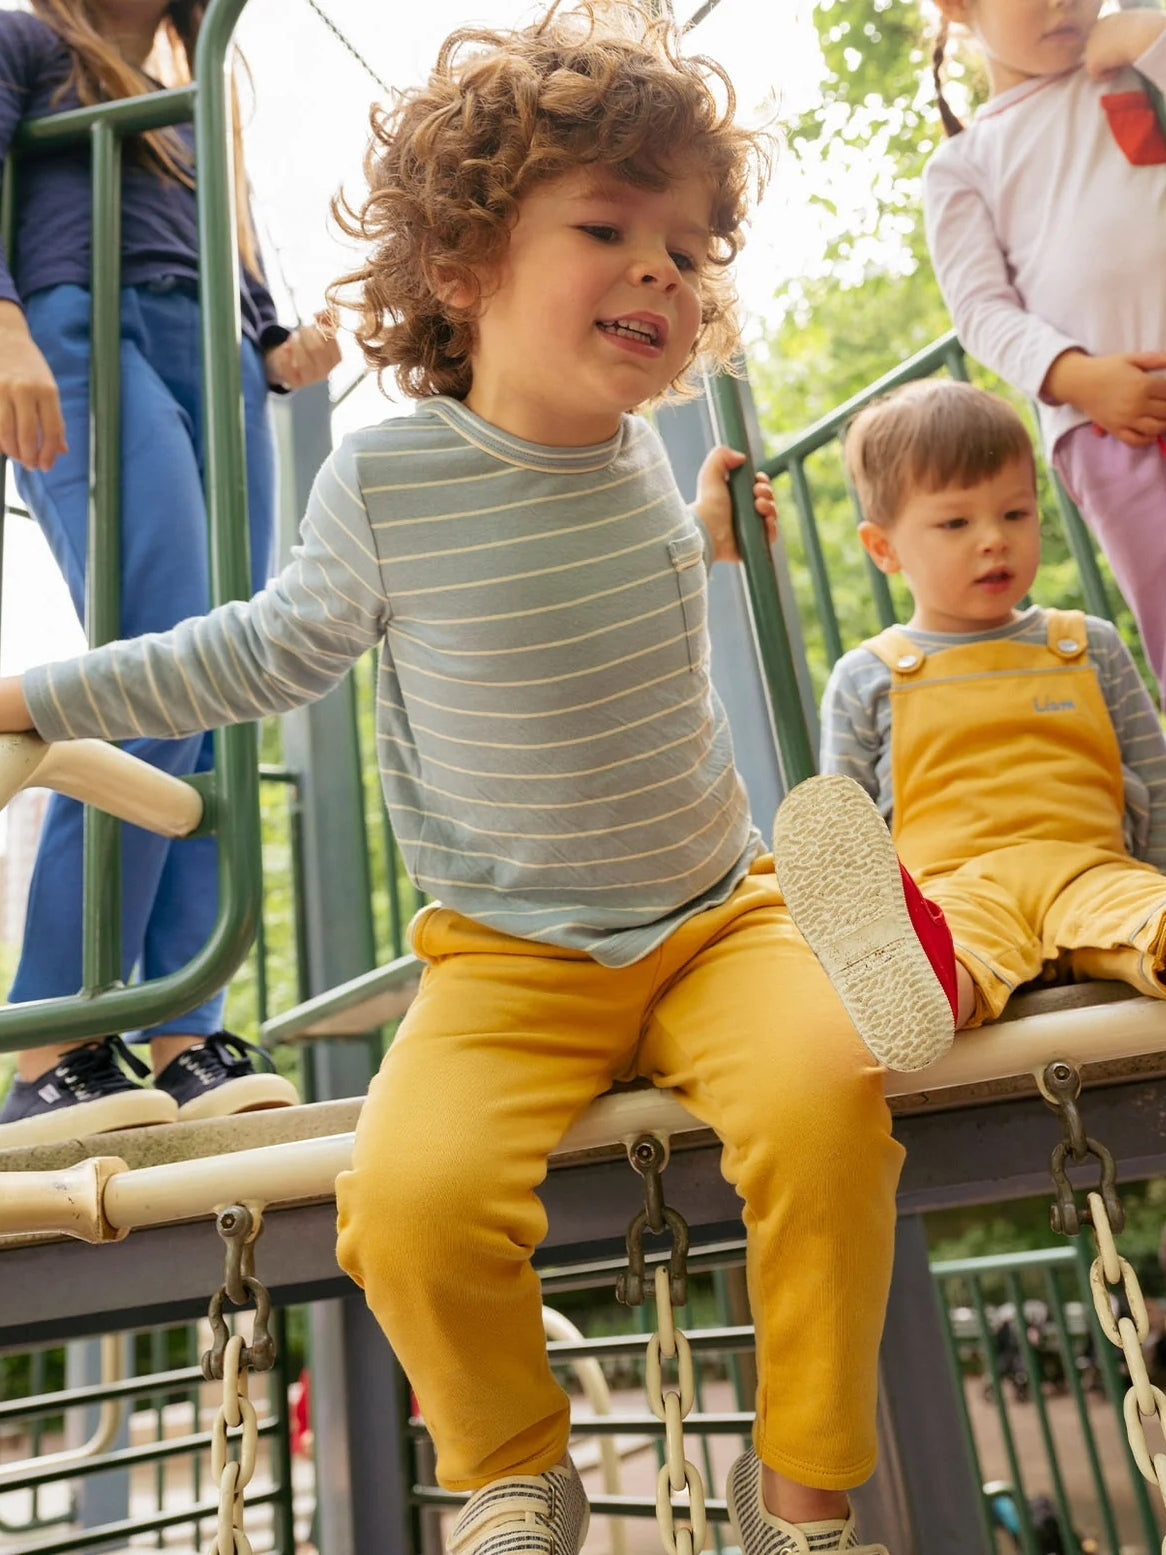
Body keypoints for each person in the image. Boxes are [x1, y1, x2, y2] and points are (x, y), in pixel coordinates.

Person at [0, 6, 961, 1550]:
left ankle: (803, 1482)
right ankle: (515, 1460)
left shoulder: (646, 459)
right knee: (407, 1196)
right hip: (507, 958)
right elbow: (255, 651)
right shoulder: (388, 478)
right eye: (606, 225)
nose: (662, 265)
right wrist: (41, 690)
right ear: (461, 266)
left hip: (719, 914)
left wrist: (706, 535)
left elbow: (607, 590)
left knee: (831, 1102)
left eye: (687, 247)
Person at [0, 0, 340, 1145]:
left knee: (228, 673)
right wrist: (5, 332)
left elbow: (228, 257)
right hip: (82, 325)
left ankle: (187, 1027)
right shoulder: (27, 39)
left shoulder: (196, 89)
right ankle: (51, 1036)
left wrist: (279, 346)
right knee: (158, 647)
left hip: (215, 354)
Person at [821, 378, 1166, 1033]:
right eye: (956, 521)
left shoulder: (1087, 645)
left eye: (1015, 513)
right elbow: (853, 842)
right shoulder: (867, 677)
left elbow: (1157, 783)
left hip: (1092, 870)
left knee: (1147, 910)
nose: (993, 539)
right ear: (883, 547)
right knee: (944, 954)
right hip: (956, 891)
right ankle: (912, 993)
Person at [922, 0, 1166, 699]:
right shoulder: (963, 163)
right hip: (1114, 429)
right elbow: (979, 309)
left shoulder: (1133, 66)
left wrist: (1152, 39)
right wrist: (1078, 377)